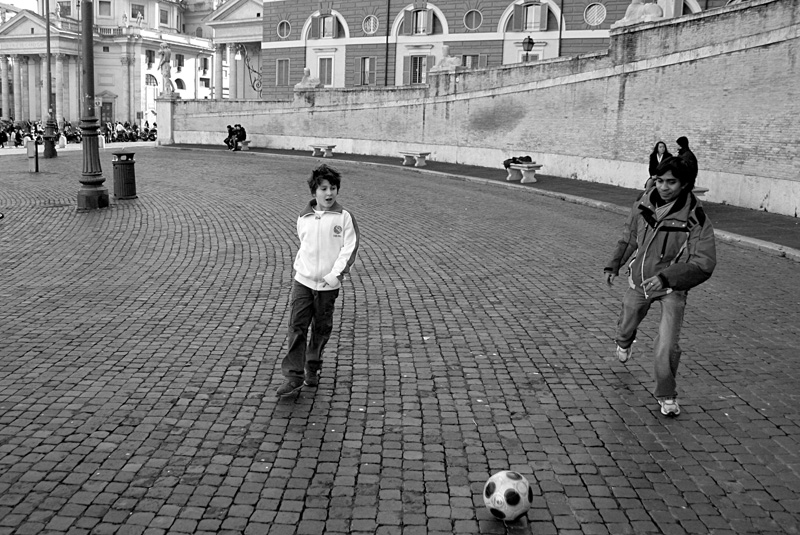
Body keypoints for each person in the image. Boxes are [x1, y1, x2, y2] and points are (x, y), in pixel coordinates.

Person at [604, 156, 716, 417]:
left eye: (671, 182)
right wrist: (614, 265)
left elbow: (704, 262)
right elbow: (629, 237)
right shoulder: (642, 204)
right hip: (640, 280)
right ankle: (624, 341)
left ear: (685, 184)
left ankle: (666, 395)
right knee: (627, 322)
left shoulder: (695, 216)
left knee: (667, 343)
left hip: (671, 286)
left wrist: (668, 278)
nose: (664, 187)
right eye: (659, 180)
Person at [276, 164, 361, 397]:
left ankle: (312, 365)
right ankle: (294, 376)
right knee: (297, 326)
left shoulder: (344, 218)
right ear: (315, 191)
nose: (329, 193)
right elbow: (304, 246)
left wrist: (334, 276)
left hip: (328, 285)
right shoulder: (303, 217)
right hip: (302, 281)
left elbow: (349, 249)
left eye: (333, 188)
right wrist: (303, 271)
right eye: (324, 188)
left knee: (321, 328)